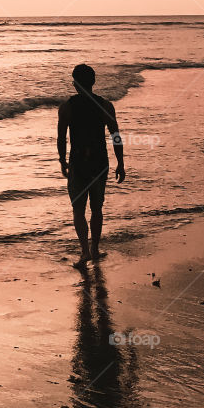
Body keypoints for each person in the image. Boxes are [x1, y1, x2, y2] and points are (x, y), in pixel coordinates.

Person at [57, 64, 124, 266]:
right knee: (97, 208)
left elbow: (61, 138)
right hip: (99, 161)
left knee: (78, 209)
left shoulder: (67, 107)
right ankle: (94, 249)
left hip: (78, 162)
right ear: (93, 82)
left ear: (74, 84)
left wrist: (63, 161)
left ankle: (85, 251)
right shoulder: (105, 106)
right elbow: (116, 137)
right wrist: (121, 163)